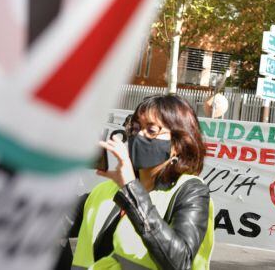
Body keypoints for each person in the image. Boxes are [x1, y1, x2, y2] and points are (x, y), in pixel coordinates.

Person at [60, 94, 215, 270]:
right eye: (134, 128)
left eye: (151, 130)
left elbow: (180, 262)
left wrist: (131, 189)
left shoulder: (190, 191)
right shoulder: (105, 191)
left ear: (177, 145)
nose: (139, 135)